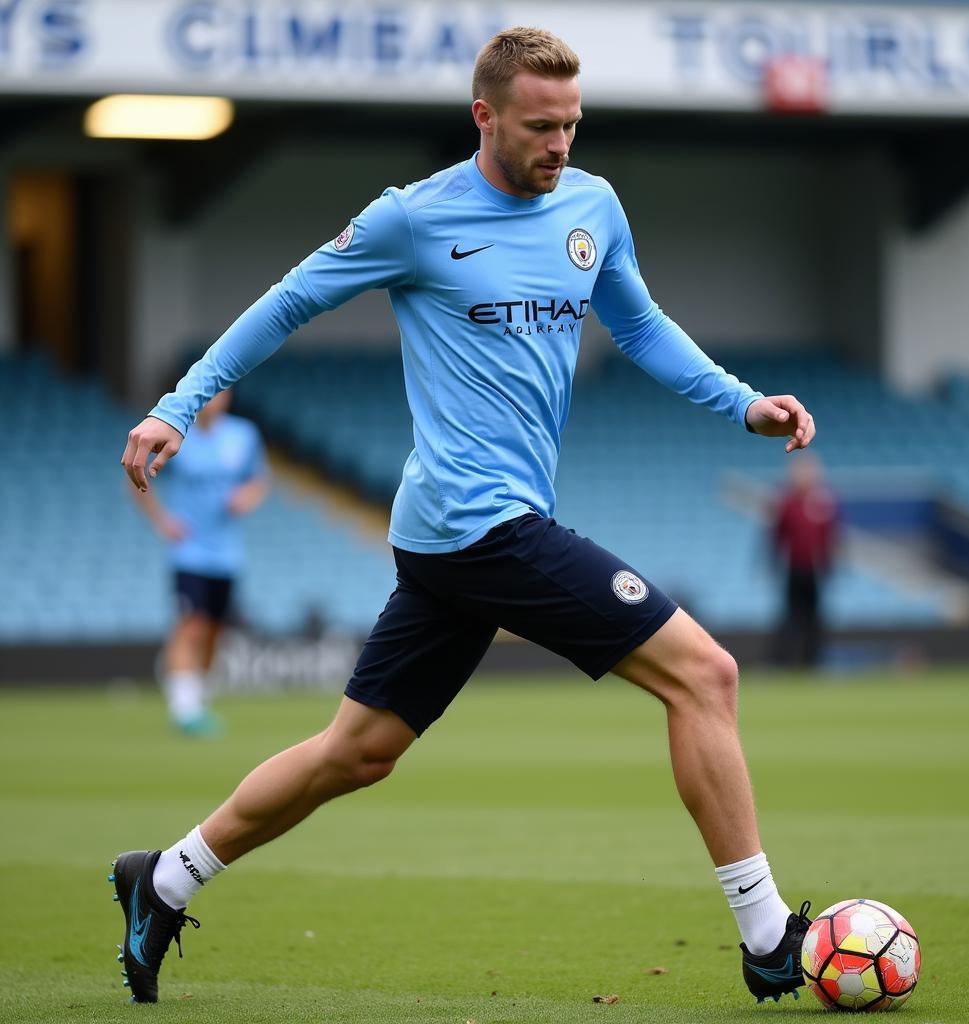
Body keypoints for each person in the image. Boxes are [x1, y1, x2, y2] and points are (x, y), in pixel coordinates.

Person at [114, 27, 817, 1007]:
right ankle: (767, 934)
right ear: (483, 115)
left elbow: (640, 324)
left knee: (356, 752)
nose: (559, 144)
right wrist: (178, 406)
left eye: (571, 124)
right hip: (475, 522)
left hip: (457, 535)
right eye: (539, 126)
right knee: (706, 674)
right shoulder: (413, 219)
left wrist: (740, 403)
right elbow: (284, 305)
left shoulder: (591, 204)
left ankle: (163, 877)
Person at [130, 388, 268, 735]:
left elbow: (259, 481)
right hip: (189, 551)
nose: (213, 401)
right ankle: (184, 709)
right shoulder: (177, 436)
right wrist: (162, 521)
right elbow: (135, 477)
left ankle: (196, 700)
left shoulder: (243, 435)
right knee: (190, 624)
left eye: (220, 394)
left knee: (214, 633)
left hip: (227, 555)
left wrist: (245, 498)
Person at [770, 454, 839, 668]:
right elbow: (777, 535)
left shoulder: (823, 502)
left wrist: (828, 565)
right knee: (792, 616)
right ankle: (788, 661)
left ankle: (813, 661)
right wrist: (774, 562)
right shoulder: (788, 502)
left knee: (814, 617)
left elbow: (831, 536)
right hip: (794, 569)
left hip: (814, 569)